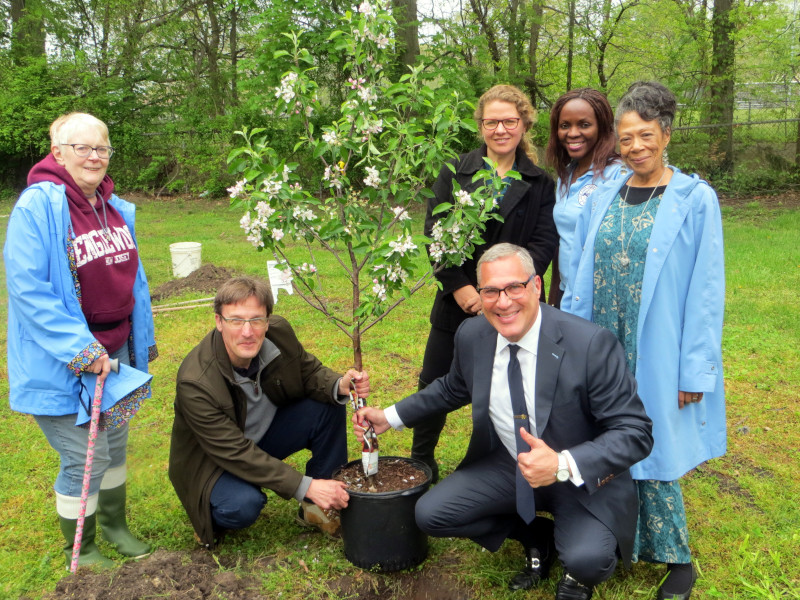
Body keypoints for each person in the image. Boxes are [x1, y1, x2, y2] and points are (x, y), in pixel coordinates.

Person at [355, 243, 653, 600]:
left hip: (579, 476)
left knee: (588, 559)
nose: (503, 301)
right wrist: (389, 417)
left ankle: (576, 575)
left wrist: (561, 463)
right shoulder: (473, 335)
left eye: (515, 287)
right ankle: (535, 536)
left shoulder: (590, 344)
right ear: (479, 295)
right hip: (508, 464)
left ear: (537, 286)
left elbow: (635, 432)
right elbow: (454, 388)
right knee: (432, 514)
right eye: (491, 291)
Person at [563, 81, 726, 600]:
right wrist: (569, 340)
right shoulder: (605, 192)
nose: (635, 147)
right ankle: (609, 541)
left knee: (653, 442)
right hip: (603, 339)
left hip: (658, 344)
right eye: (626, 138)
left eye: (646, 135)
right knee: (600, 434)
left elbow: (706, 290)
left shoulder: (695, 198)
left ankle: (677, 559)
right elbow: (581, 269)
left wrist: (694, 370)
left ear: (667, 134)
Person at [4, 112, 157, 568]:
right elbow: (29, 289)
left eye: (102, 148)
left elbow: (135, 283)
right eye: (82, 147)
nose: (94, 156)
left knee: (115, 444)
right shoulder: (37, 207)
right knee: (82, 456)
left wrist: (138, 341)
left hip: (115, 355)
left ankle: (114, 526)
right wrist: (82, 350)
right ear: (57, 152)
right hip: (64, 360)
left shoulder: (115, 207)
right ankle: (84, 547)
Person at [412, 84, 557, 482]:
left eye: (509, 121)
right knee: (434, 383)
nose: (500, 129)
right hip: (457, 301)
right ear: (480, 126)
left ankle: (505, 464)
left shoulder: (540, 183)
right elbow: (435, 234)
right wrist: (461, 288)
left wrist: (511, 289)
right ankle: (421, 459)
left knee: (511, 388)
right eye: (491, 122)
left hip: (512, 305)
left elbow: (543, 243)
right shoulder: (454, 172)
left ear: (524, 124)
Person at [169, 276, 370, 548]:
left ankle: (318, 508)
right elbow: (233, 451)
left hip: (261, 436)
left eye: (256, 319)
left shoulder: (278, 334)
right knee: (243, 505)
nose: (247, 331)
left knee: (327, 403)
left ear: (267, 320)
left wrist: (340, 384)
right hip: (214, 462)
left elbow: (308, 371)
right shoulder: (196, 382)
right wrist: (304, 484)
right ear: (218, 321)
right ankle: (211, 515)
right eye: (236, 320)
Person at [545, 88, 624, 308]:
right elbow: (563, 241)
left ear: (602, 128)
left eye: (584, 125)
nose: (572, 133)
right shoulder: (566, 176)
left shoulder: (617, 175)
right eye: (565, 125)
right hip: (568, 294)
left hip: (601, 297)